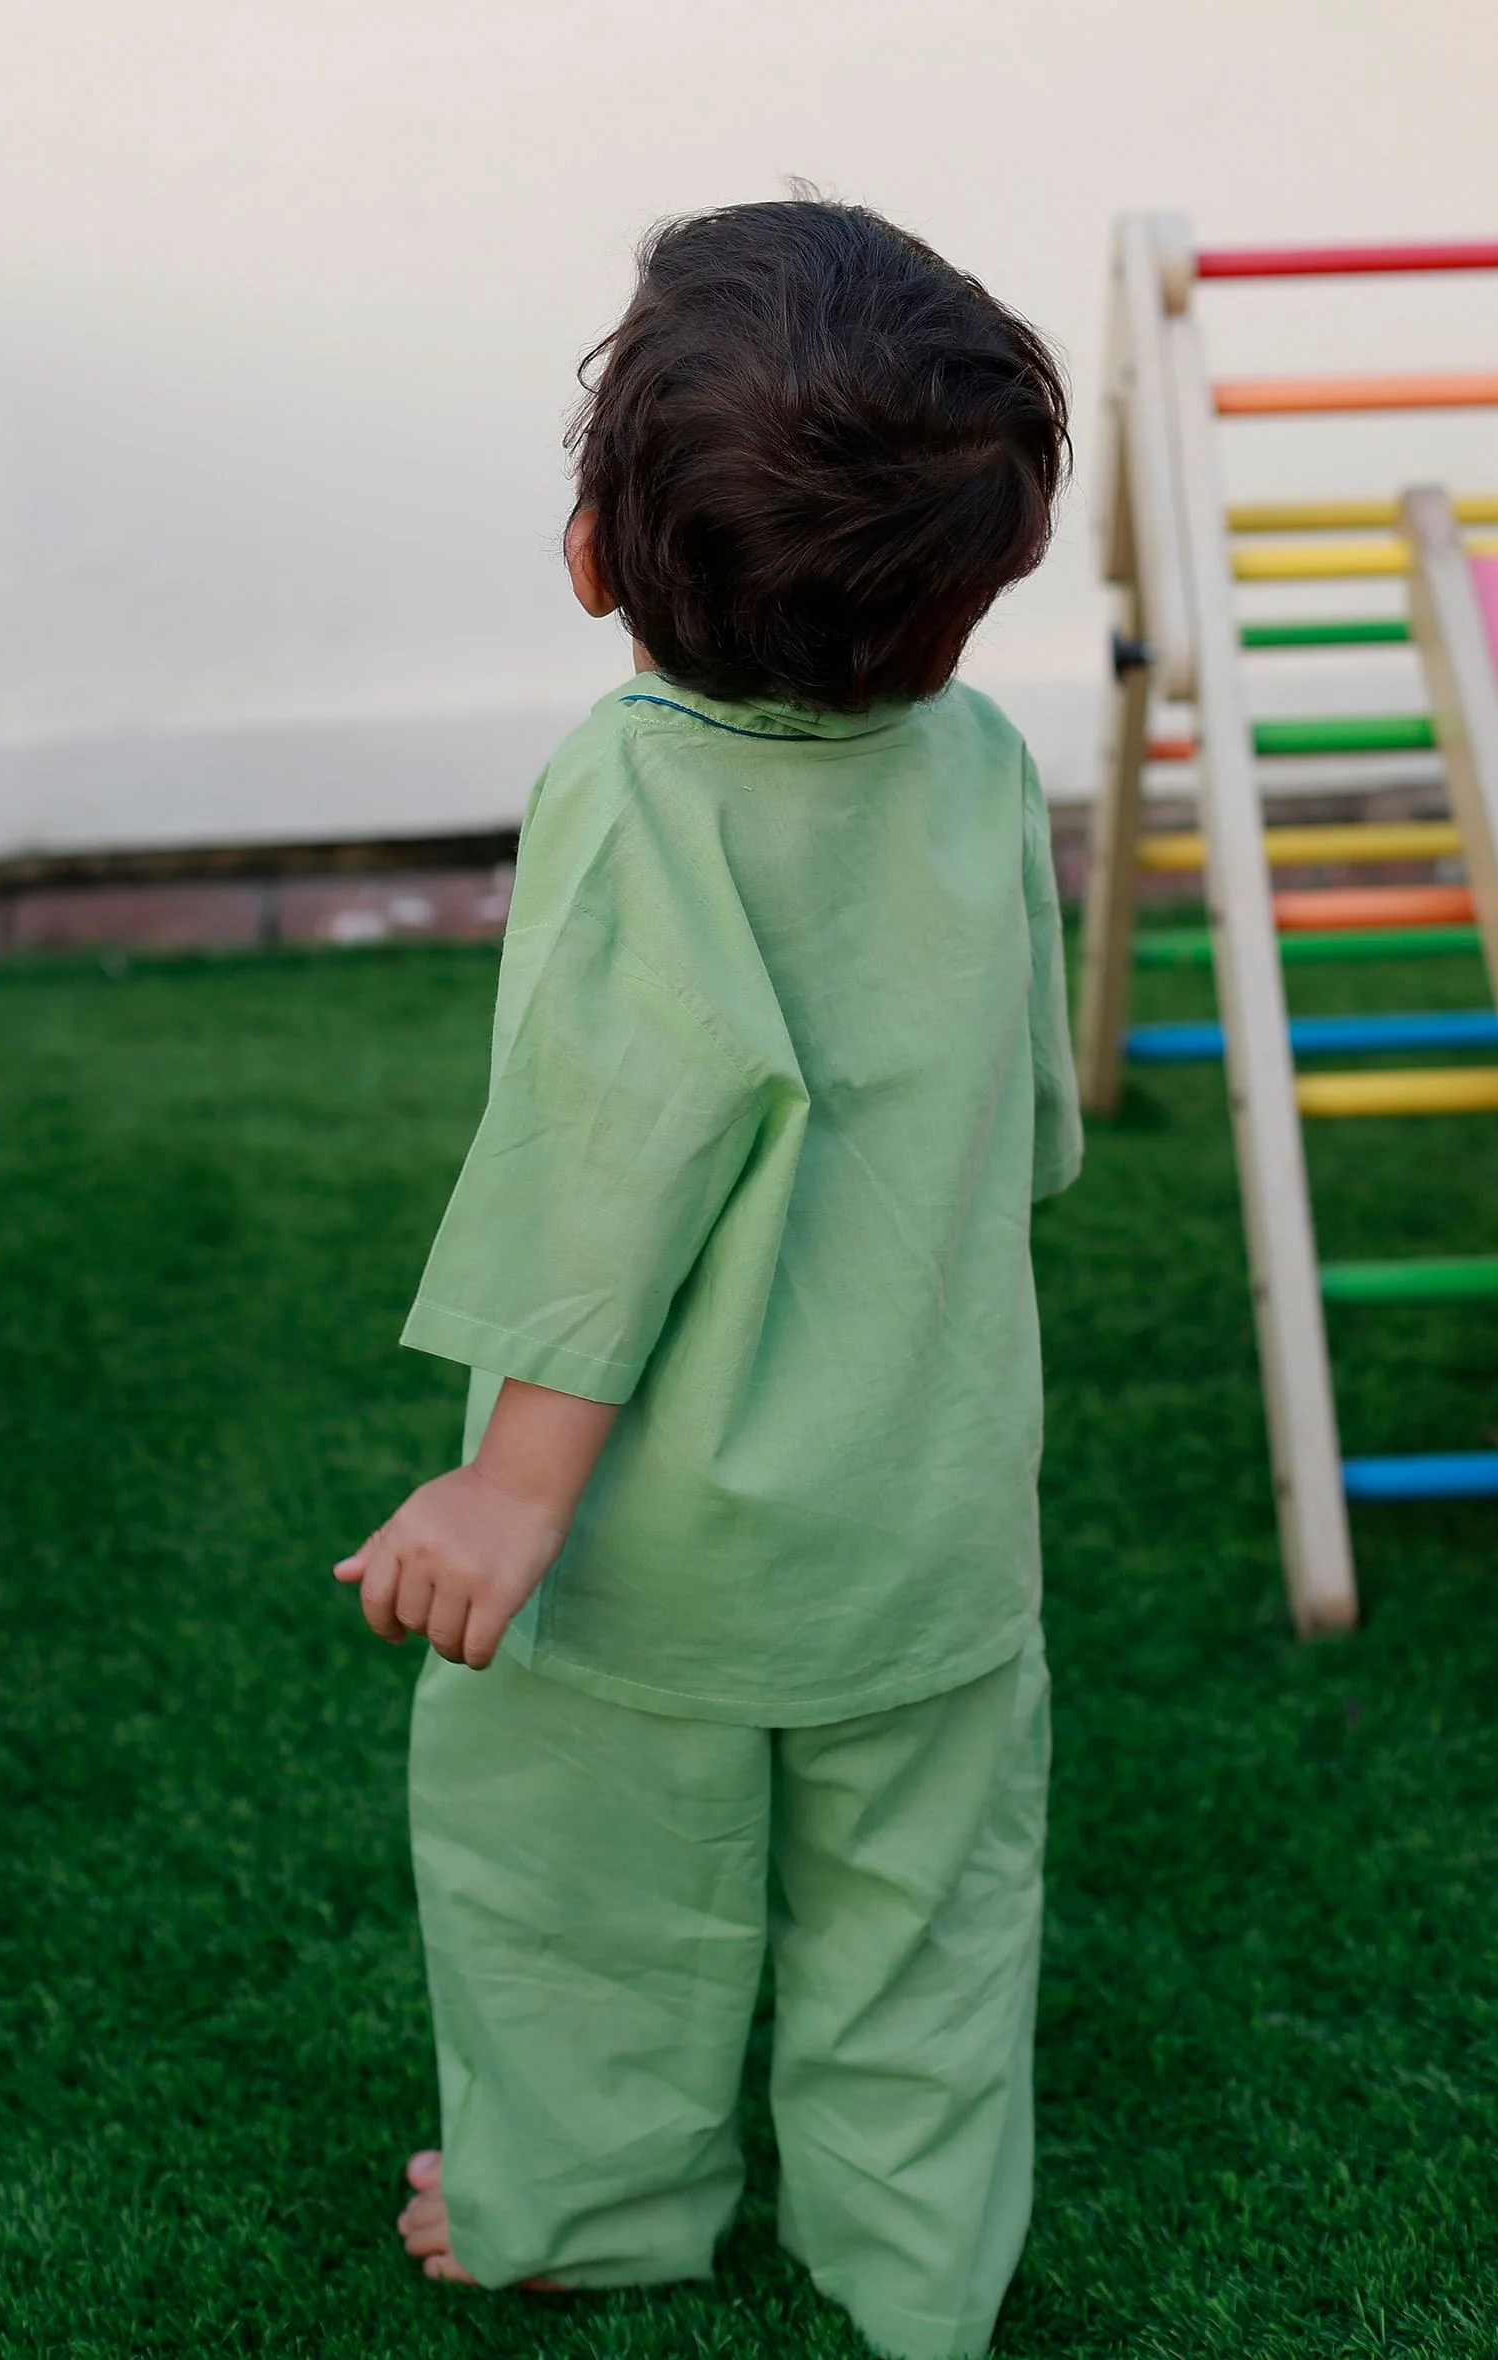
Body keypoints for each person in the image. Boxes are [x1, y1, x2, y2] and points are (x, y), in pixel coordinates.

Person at [334, 195, 1080, 2360]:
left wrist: (512, 1490)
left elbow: (607, 1160)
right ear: (961, 605)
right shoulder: (983, 763)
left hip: (643, 1555)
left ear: (594, 552)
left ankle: (577, 2198)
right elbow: (1015, 1114)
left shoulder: (628, 794)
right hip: (930, 1520)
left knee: (580, 1902)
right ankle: (918, 2271)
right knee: (924, 1923)